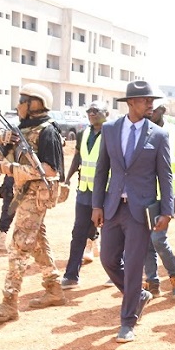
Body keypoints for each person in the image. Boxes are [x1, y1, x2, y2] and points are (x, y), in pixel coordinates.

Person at [92, 80, 174, 343]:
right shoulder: (110, 129)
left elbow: (166, 176)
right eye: (145, 100)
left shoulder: (158, 135)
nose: (151, 104)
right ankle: (137, 295)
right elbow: (101, 170)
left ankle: (128, 322)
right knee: (108, 260)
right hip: (113, 207)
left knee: (134, 265)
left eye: (152, 100)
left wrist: (167, 211)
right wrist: (96, 205)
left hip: (141, 211)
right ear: (130, 103)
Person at [0, 83, 66, 323]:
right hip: (24, 193)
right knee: (38, 241)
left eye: (23, 100)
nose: (18, 104)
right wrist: (4, 146)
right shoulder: (23, 130)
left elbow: (51, 170)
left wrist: (9, 168)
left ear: (36, 104)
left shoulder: (47, 131)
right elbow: (7, 155)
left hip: (37, 195)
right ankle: (54, 289)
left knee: (19, 246)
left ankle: (9, 302)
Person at [142, 100, 175, 299]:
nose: (150, 112)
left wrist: (172, 205)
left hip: (168, 198)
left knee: (158, 239)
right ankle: (152, 282)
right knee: (146, 242)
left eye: (154, 109)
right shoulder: (141, 131)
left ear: (162, 111)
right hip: (146, 197)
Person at [61, 102, 107, 289]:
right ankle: (71, 275)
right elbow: (78, 158)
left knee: (112, 235)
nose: (92, 113)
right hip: (84, 191)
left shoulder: (112, 134)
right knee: (78, 233)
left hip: (105, 192)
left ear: (106, 113)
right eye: (89, 111)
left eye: (96, 111)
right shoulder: (83, 134)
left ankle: (116, 273)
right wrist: (67, 178)